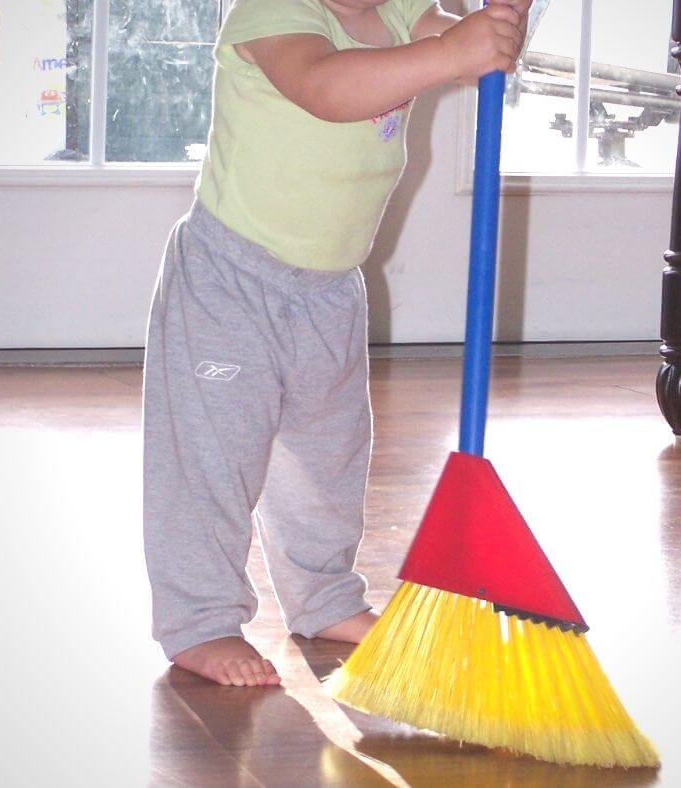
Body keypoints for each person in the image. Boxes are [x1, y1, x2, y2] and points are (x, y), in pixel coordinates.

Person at [142, 0, 529, 687]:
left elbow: (462, 48)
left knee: (329, 459)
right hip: (232, 280)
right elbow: (325, 86)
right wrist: (453, 54)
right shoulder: (271, 14)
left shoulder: (405, 13)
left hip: (329, 292)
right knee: (213, 457)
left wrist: (489, 38)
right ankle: (199, 621)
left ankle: (323, 598)